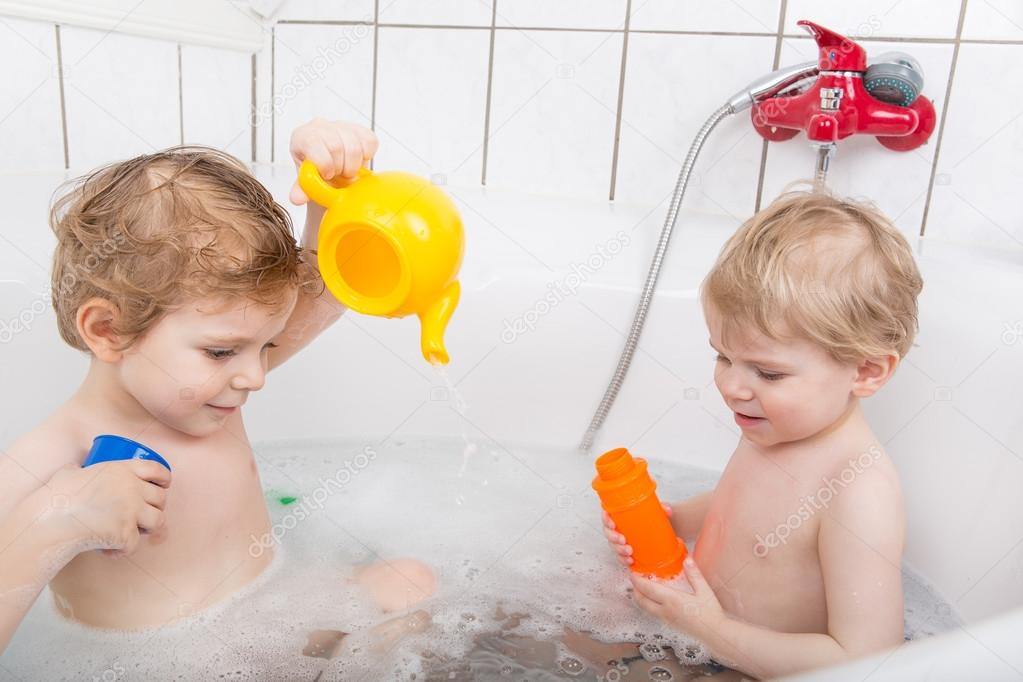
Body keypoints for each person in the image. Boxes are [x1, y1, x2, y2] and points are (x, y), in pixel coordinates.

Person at [0, 119, 435, 653]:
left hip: (272, 614)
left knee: (411, 581)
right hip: (167, 663)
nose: (255, 376)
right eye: (223, 351)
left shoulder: (207, 392)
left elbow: (327, 292)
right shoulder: (44, 463)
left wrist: (332, 199)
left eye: (267, 345)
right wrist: (57, 522)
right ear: (108, 331)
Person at [604, 189, 923, 679]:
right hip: (697, 639)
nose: (731, 386)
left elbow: (866, 661)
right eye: (723, 357)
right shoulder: (775, 427)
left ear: (866, 371)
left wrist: (710, 630)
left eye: (768, 374)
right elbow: (745, 506)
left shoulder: (859, 488)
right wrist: (671, 523)